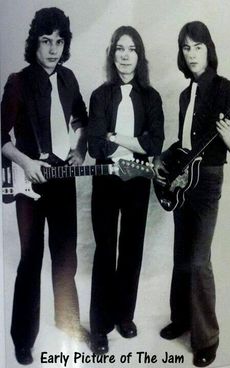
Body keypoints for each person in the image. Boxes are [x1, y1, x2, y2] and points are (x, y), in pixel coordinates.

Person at [1, 7, 88, 365]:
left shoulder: (69, 78)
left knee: (65, 259)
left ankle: (67, 322)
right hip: (31, 184)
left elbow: (81, 119)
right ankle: (23, 339)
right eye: (45, 40)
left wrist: (80, 150)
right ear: (35, 43)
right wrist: (26, 161)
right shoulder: (18, 81)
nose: (53, 48)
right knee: (30, 260)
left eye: (59, 41)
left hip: (63, 180)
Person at [154, 21, 230, 367]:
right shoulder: (187, 94)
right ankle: (183, 319)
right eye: (186, 48)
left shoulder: (227, 89)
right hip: (182, 179)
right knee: (180, 255)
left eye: (198, 47)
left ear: (209, 50)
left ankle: (207, 339)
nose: (191, 54)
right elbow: (186, 144)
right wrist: (165, 164)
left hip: (208, 182)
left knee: (200, 261)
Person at [88, 26, 164, 354]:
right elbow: (94, 145)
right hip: (105, 181)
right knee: (105, 251)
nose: (125, 55)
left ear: (139, 56)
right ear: (112, 54)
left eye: (132, 49)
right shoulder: (100, 95)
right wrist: (125, 142)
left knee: (132, 250)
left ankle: (124, 316)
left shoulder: (151, 97)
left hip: (137, 182)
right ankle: (100, 326)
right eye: (120, 48)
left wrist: (114, 136)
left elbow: (154, 143)